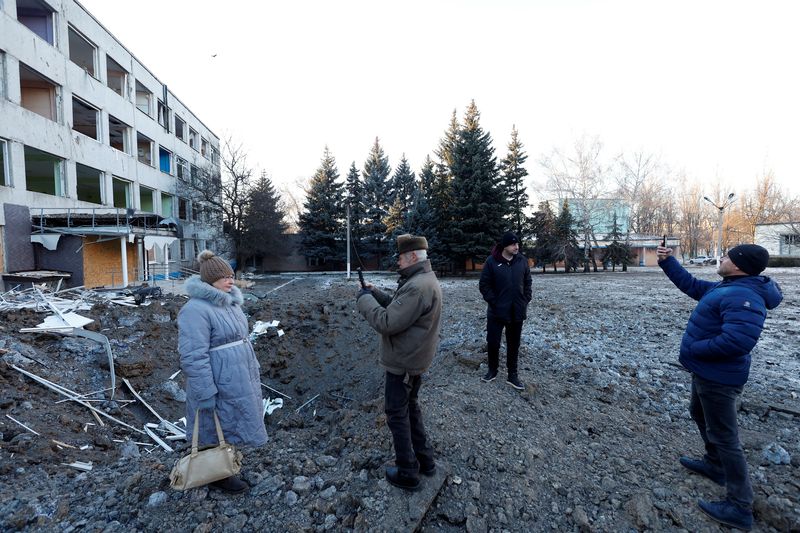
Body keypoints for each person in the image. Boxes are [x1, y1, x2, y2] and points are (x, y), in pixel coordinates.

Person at [657, 243, 782, 530]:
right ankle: (714, 465)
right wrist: (669, 262)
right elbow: (692, 285)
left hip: (719, 378)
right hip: (707, 373)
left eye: (726, 256)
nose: (722, 259)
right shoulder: (728, 286)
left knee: (726, 437)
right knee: (699, 414)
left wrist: (694, 348)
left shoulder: (744, 295)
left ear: (738, 265)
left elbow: (738, 342)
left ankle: (740, 505)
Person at [356, 234, 442, 491]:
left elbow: (387, 322)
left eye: (401, 258)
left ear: (413, 256)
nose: (398, 262)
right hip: (414, 359)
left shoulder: (416, 286)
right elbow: (399, 308)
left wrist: (363, 300)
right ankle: (425, 462)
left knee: (397, 415)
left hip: (403, 363)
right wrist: (376, 294)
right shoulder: (423, 280)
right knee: (410, 409)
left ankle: (407, 471)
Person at [177, 250, 268, 494]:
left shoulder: (230, 303)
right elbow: (193, 355)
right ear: (209, 280)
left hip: (237, 375)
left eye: (231, 275)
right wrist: (205, 389)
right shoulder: (195, 310)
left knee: (232, 420)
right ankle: (217, 473)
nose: (231, 280)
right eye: (224, 277)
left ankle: (227, 464)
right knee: (213, 423)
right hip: (218, 376)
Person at [478, 231, 532, 390]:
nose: (517, 247)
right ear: (504, 246)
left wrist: (525, 298)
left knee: (514, 344)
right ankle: (492, 371)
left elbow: (528, 281)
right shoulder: (491, 262)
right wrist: (494, 302)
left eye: (517, 244)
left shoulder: (522, 261)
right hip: (496, 311)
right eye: (513, 244)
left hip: (517, 310)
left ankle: (512, 375)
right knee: (493, 342)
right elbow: (484, 285)